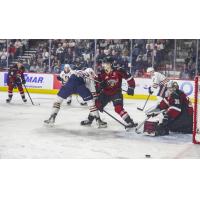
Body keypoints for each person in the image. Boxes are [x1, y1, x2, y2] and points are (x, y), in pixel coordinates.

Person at [94, 56, 137, 128]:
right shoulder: (101, 73)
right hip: (105, 93)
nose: (103, 65)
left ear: (110, 64)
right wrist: (100, 86)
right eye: (103, 63)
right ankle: (90, 119)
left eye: (105, 63)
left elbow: (129, 77)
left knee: (118, 108)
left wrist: (131, 87)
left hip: (116, 93)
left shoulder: (119, 70)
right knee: (96, 106)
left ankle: (130, 122)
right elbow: (97, 84)